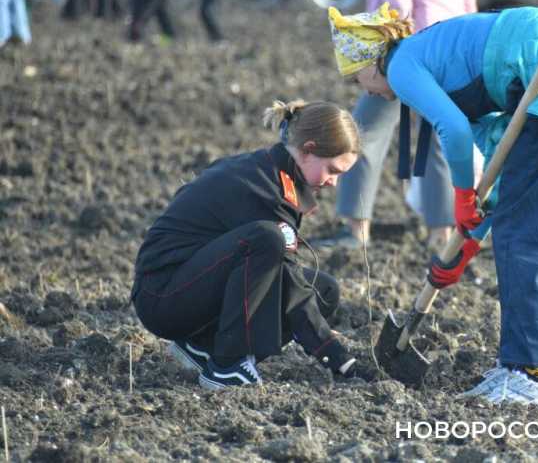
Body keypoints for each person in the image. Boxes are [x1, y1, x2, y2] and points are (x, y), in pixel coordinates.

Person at [328, 3, 538, 407]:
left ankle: (528, 373)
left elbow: (453, 130)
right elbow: (504, 171)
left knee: (526, 234)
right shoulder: (436, 54)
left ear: (372, 60)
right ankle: (531, 365)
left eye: (358, 79)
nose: (366, 90)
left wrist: (461, 199)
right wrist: (470, 238)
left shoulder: (401, 64)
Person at [131, 100, 365, 389]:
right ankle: (227, 365)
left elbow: (285, 278)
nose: (334, 183)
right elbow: (289, 279)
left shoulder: (274, 172)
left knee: (323, 290)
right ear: (308, 150)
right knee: (269, 239)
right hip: (162, 296)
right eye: (333, 170)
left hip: (193, 282)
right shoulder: (262, 186)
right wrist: (334, 354)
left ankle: (202, 347)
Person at [316, 0, 488, 250]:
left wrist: (388, 61)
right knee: (439, 140)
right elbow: (470, 9)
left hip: (405, 54)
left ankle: (356, 228)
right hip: (448, 54)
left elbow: (395, 6)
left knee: (365, 131)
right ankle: (441, 233)